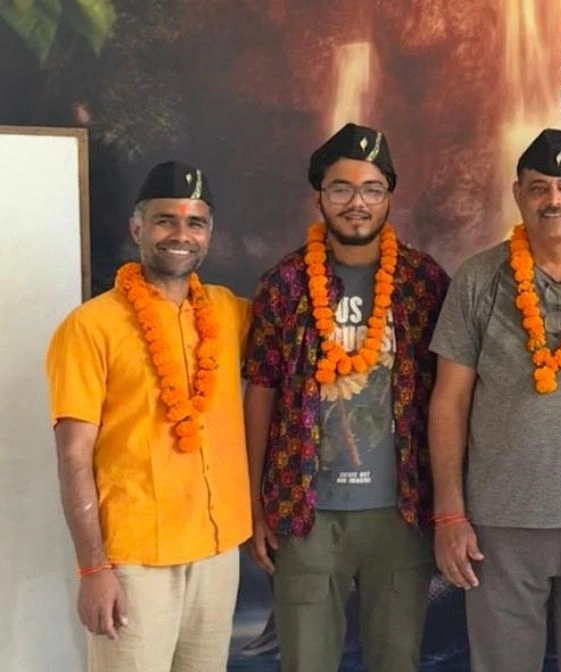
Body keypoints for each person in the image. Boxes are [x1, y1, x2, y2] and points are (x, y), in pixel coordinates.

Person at [428, 128, 561, 671]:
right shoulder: (478, 277)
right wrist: (450, 513)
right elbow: (448, 402)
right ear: (518, 194)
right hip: (501, 521)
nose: (555, 200)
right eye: (540, 187)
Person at [240, 124, 449, 671]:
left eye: (371, 189)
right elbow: (260, 389)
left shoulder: (424, 282)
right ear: (320, 196)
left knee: (396, 660)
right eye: (341, 188)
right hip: (305, 512)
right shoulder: (283, 284)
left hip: (401, 512)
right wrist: (254, 501)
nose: (357, 203)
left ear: (389, 196)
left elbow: (452, 397)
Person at [45, 161, 250, 671]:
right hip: (134, 562)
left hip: (218, 554)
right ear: (137, 228)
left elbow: (301, 329)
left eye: (195, 222)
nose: (180, 235)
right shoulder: (89, 328)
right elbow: (74, 456)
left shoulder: (229, 313)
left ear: (209, 235)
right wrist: (94, 568)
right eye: (165, 221)